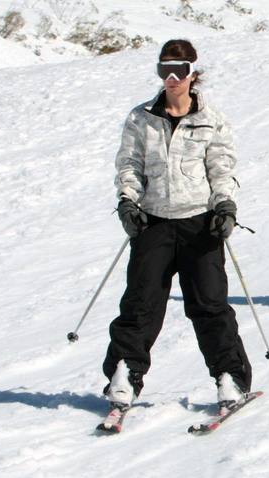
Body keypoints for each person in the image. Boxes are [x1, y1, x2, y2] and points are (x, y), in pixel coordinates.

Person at [103, 38, 251, 417]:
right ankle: (125, 373)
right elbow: (129, 164)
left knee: (209, 304)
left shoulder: (210, 119)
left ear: (192, 73)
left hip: (199, 223)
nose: (172, 79)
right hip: (153, 222)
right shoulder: (141, 118)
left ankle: (229, 376)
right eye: (164, 70)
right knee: (140, 303)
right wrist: (127, 201)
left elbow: (222, 167)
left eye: (180, 71)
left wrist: (225, 205)